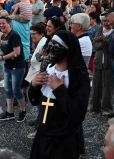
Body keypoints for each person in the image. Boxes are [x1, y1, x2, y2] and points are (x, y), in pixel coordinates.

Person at [28, 30, 90, 159]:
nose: (51, 50)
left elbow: (78, 114)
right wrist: (33, 85)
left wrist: (59, 89)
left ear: (68, 50)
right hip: (43, 136)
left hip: (64, 141)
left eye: (56, 47)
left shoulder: (79, 77)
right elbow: (35, 101)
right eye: (50, 45)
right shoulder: (48, 69)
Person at [0, 16, 26, 122]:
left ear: (9, 24)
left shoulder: (14, 35)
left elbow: (17, 52)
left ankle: (23, 110)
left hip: (17, 66)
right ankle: (9, 112)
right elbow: (7, 51)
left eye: (4, 23)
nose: (2, 25)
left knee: (16, 90)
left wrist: (1, 57)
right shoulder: (3, 36)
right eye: (0, 24)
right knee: (8, 89)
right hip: (8, 66)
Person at [25, 23, 47, 139]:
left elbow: (40, 59)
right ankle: (39, 129)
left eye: (34, 34)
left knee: (39, 105)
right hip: (36, 73)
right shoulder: (40, 42)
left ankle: (39, 132)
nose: (32, 36)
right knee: (38, 106)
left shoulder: (44, 43)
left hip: (39, 75)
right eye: (31, 34)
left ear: (42, 34)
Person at [89, 16, 114, 116]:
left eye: (107, 21)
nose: (105, 23)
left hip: (108, 61)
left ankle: (106, 108)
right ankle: (94, 106)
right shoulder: (100, 29)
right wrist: (103, 45)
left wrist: (103, 43)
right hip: (98, 59)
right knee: (96, 84)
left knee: (107, 85)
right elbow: (95, 44)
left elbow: (112, 47)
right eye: (104, 21)